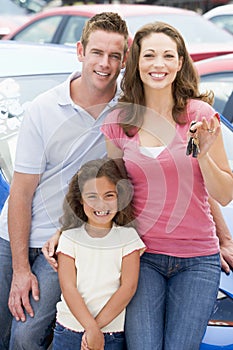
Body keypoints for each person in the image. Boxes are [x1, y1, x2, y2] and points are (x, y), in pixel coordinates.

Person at [0, 12, 129, 350]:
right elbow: (22, 191)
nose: (105, 63)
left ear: (124, 59)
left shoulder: (126, 110)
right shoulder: (45, 108)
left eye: (114, 56)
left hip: (64, 244)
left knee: (25, 337)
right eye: (97, 53)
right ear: (80, 51)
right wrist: (19, 269)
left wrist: (218, 234)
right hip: (12, 235)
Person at [100, 21, 233, 350]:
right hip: (141, 257)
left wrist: (202, 155)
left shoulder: (200, 115)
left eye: (167, 56)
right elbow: (116, 191)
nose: (158, 64)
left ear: (179, 62)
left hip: (197, 260)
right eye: (149, 55)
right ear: (136, 63)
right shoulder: (119, 121)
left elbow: (224, 194)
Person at [52, 158, 145, 350]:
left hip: (110, 333)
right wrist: (91, 328)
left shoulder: (128, 237)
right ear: (80, 199)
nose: (101, 204)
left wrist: (97, 329)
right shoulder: (69, 238)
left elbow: (128, 287)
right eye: (92, 196)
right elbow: (68, 287)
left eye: (109, 195)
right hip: (69, 329)